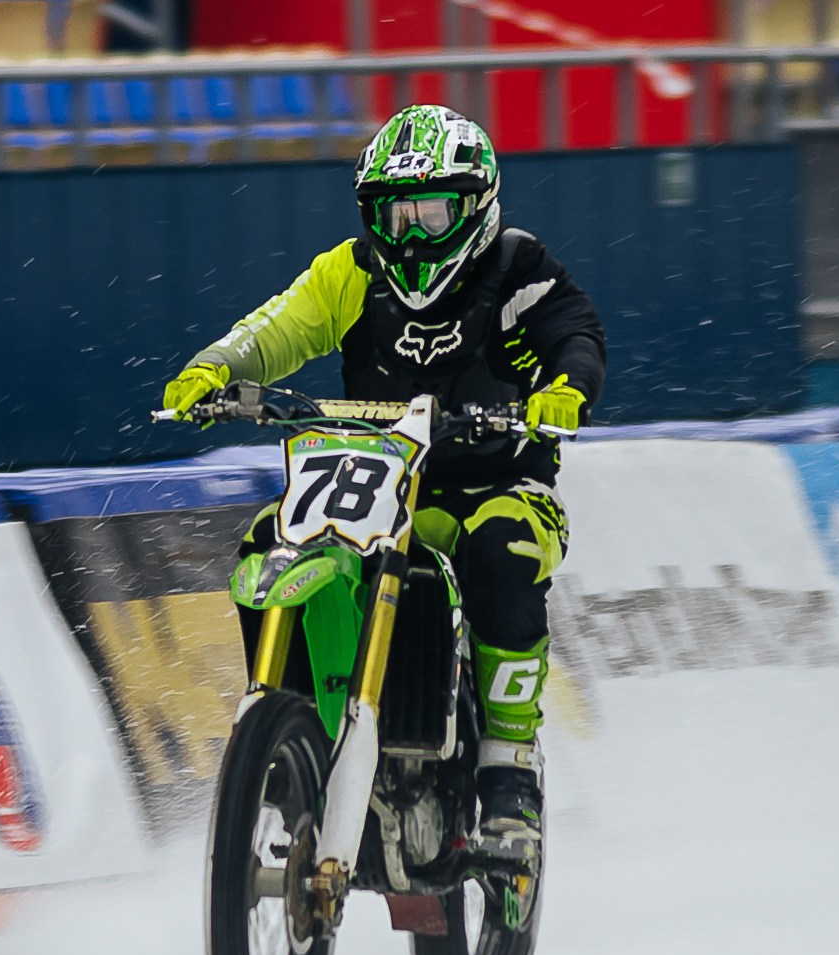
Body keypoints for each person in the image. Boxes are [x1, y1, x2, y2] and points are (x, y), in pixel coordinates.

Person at [158, 105, 603, 863]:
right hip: (377, 481)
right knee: (269, 538)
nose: (413, 235)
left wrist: (565, 389)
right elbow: (278, 328)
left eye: (433, 212)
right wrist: (218, 367)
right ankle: (286, 723)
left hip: (496, 484)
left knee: (502, 555)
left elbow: (577, 335)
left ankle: (508, 769)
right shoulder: (350, 270)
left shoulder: (521, 266)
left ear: (478, 206)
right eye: (395, 215)